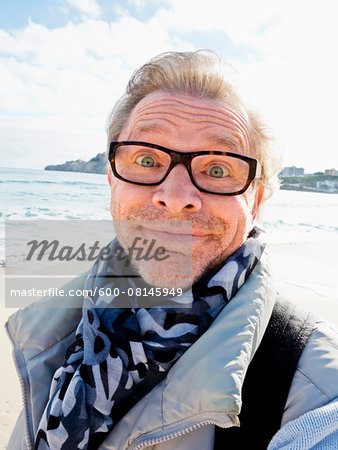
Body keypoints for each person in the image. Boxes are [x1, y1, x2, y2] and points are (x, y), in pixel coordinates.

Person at [6, 50, 338, 449]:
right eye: (146, 159)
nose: (176, 196)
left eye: (218, 170)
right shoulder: (59, 330)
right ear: (112, 181)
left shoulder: (315, 392)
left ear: (257, 199)